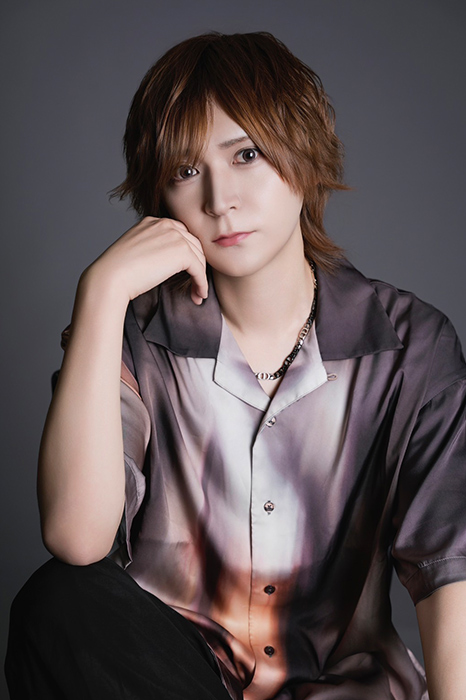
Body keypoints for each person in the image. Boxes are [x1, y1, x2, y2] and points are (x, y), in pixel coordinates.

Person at [5, 31, 466, 700]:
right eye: (185, 171)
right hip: (168, 684)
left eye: (246, 154)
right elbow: (77, 539)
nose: (220, 199)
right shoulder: (134, 335)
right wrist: (101, 293)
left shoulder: (410, 346)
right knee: (56, 602)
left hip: (348, 691)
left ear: (301, 151)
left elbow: (449, 568)